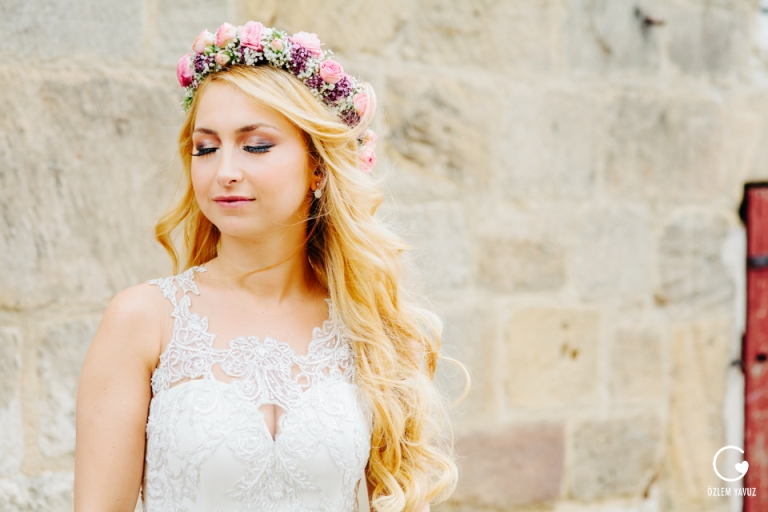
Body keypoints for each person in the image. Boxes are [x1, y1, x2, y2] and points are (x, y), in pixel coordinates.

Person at [74, 20, 466, 512]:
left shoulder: (369, 328)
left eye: (256, 145)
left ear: (318, 166)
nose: (225, 172)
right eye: (206, 148)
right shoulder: (143, 320)